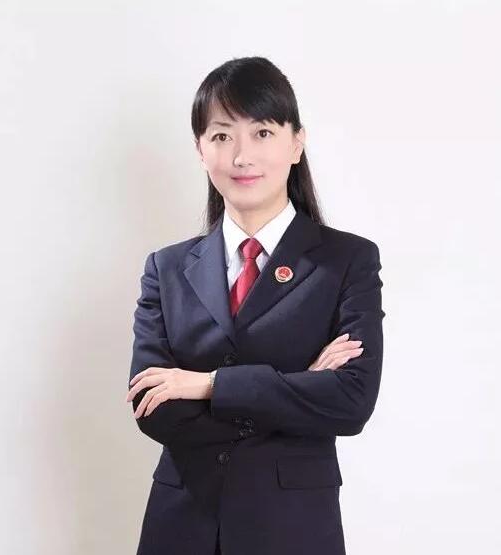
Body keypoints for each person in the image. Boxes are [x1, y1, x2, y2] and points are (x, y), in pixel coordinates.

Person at [126, 56, 385, 555]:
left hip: (292, 529)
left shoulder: (346, 261)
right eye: (222, 136)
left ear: (296, 143)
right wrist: (298, 386)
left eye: (262, 132)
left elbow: (351, 402)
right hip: (181, 528)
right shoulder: (166, 268)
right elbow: (154, 408)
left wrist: (206, 384)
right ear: (201, 150)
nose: (242, 155)